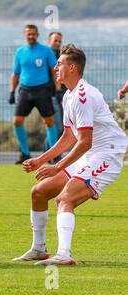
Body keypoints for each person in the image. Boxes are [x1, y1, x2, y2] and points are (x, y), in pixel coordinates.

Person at [13, 44, 128, 266]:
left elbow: (85, 142)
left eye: (60, 64)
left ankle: (64, 255)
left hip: (106, 156)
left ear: (72, 68)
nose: (55, 68)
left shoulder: (84, 96)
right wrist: (40, 160)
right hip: (91, 154)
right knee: (38, 192)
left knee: (64, 199)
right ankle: (39, 249)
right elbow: (68, 137)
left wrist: (56, 167)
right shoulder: (69, 96)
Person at [9, 24, 61, 164]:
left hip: (42, 91)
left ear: (37, 35)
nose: (31, 36)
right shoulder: (20, 52)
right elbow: (15, 73)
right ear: (25, 35)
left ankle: (54, 155)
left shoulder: (46, 51)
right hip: (25, 91)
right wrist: (12, 92)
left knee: (49, 122)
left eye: (33, 34)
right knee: (17, 121)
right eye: (28, 34)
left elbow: (54, 70)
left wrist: (58, 89)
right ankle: (25, 154)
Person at [44, 32, 67, 163]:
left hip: (62, 95)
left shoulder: (62, 57)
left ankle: (47, 153)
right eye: (55, 41)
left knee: (62, 127)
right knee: (55, 126)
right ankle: (52, 155)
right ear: (49, 41)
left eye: (59, 41)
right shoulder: (45, 56)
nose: (57, 43)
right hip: (48, 96)